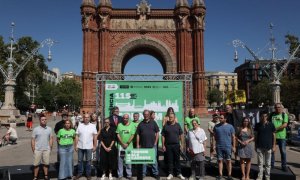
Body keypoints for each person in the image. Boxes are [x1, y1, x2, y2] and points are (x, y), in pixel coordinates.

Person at [136, 110, 160, 180]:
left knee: (154, 161)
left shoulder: (153, 122)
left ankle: (155, 173)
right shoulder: (140, 124)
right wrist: (137, 144)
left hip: (152, 145)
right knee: (144, 161)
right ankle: (143, 174)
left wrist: (155, 142)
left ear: (149, 115)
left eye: (147, 114)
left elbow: (157, 132)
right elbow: (138, 134)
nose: (146, 115)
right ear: (143, 115)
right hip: (143, 145)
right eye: (145, 114)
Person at [161, 113, 185, 180]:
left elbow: (181, 135)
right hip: (168, 146)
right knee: (170, 161)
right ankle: (170, 173)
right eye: (170, 117)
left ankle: (179, 173)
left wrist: (182, 144)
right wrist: (163, 145)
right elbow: (163, 136)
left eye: (172, 117)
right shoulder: (166, 126)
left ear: (174, 118)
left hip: (176, 145)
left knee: (177, 160)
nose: (170, 118)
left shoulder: (177, 125)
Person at [74, 114, 98, 180]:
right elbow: (76, 136)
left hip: (89, 146)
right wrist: (75, 145)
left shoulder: (93, 126)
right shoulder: (80, 125)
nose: (86, 118)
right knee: (79, 161)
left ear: (89, 118)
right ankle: (79, 173)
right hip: (80, 146)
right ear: (83, 118)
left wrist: (95, 146)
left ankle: (88, 174)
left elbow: (95, 137)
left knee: (88, 161)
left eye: (88, 117)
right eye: (85, 117)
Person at [213, 114, 236, 180]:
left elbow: (233, 137)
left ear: (225, 119)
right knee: (220, 161)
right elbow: (214, 137)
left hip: (228, 146)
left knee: (228, 161)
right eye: (220, 118)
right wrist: (214, 145)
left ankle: (229, 175)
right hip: (219, 146)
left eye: (221, 118)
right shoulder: (216, 126)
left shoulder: (230, 126)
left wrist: (234, 146)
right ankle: (220, 175)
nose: (220, 119)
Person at [255, 111, 276, 180]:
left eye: (265, 116)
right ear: (260, 117)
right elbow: (256, 135)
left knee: (268, 164)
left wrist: (274, 145)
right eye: (262, 116)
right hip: (259, 146)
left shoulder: (271, 125)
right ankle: (260, 176)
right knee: (260, 163)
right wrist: (255, 145)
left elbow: (274, 135)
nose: (264, 117)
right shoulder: (257, 125)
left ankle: (267, 177)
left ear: (267, 117)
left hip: (268, 146)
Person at [31, 115, 53, 180]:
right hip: (38, 149)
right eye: (42, 120)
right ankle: (35, 177)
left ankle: (46, 176)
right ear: (40, 121)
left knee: (46, 164)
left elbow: (51, 138)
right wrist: (33, 149)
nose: (44, 121)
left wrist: (50, 147)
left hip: (46, 149)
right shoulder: (36, 129)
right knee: (36, 164)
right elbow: (33, 139)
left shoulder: (49, 129)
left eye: (45, 119)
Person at [116, 114, 135, 179]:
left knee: (128, 161)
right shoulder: (119, 125)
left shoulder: (132, 125)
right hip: (121, 147)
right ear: (122, 118)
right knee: (120, 161)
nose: (125, 119)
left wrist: (127, 143)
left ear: (128, 118)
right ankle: (120, 175)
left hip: (129, 147)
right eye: (124, 118)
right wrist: (122, 143)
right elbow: (118, 134)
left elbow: (132, 135)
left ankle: (129, 175)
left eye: (126, 118)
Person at [270, 103, 288, 171]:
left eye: (279, 107)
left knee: (283, 151)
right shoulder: (272, 115)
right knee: (272, 151)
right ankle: (272, 165)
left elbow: (285, 125)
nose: (277, 108)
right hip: (273, 136)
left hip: (282, 136)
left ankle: (284, 166)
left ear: (281, 108)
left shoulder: (284, 115)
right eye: (276, 107)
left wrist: (276, 129)